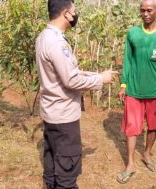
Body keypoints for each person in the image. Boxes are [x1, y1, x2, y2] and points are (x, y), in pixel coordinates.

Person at [35, 0, 117, 188]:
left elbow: (67, 73)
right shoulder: (56, 42)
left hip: (51, 112)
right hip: (64, 117)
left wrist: (96, 75)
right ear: (66, 14)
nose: (75, 15)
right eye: (74, 11)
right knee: (66, 169)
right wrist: (100, 80)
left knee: (52, 163)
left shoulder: (43, 37)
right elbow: (70, 80)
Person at [117, 0, 156, 184]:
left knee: (154, 125)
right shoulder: (132, 34)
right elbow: (127, 59)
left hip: (155, 92)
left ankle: (147, 154)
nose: (145, 13)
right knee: (132, 128)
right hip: (134, 90)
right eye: (142, 10)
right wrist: (124, 84)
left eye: (149, 10)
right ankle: (131, 164)